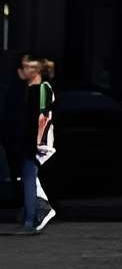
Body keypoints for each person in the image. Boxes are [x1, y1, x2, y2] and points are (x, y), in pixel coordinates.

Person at [13, 53, 52, 236]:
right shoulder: (28, 89)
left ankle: (32, 218)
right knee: (30, 179)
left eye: (28, 66)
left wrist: (39, 142)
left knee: (30, 178)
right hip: (28, 140)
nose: (24, 70)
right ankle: (33, 214)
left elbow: (44, 117)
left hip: (35, 142)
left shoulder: (42, 89)